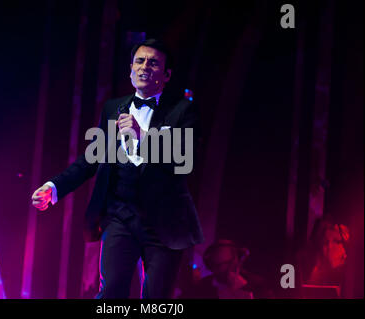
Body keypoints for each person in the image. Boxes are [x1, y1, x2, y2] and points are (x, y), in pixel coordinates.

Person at [31, 39, 204, 298]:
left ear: (166, 75)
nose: (145, 66)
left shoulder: (182, 110)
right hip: (120, 216)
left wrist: (141, 135)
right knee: (111, 291)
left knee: (157, 297)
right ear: (130, 69)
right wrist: (54, 186)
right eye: (140, 61)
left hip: (165, 222)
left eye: (154, 63)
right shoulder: (113, 108)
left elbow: (183, 161)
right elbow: (93, 157)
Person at [189, 239, 273, 299]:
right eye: (216, 265)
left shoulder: (257, 285)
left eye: (223, 264)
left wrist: (244, 289)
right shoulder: (202, 287)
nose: (220, 270)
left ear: (236, 262)